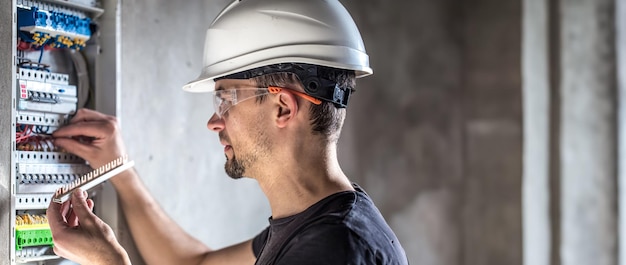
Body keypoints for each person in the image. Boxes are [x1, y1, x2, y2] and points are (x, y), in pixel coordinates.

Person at [46, 0, 409, 264]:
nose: (214, 121)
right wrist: (120, 170)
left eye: (226, 100)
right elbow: (194, 264)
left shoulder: (333, 249)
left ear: (283, 107)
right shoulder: (312, 226)